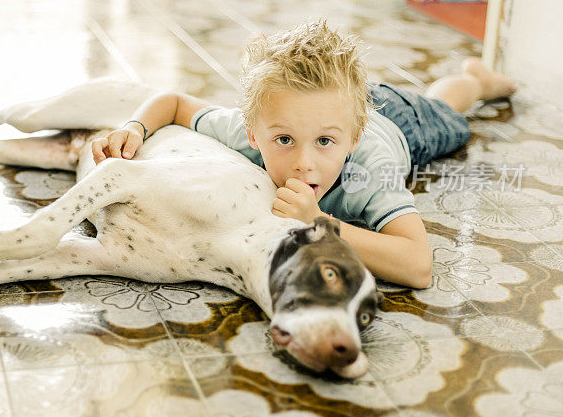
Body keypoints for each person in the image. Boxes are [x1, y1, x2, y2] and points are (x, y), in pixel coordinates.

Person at [90, 20, 517, 288]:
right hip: (339, 109)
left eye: (324, 144)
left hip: (402, 124)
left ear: (352, 138)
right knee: (320, 119)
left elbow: (419, 266)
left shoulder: (371, 172)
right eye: (284, 141)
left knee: (448, 114)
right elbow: (174, 102)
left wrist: (320, 223)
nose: (304, 162)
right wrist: (134, 128)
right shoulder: (250, 127)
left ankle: (476, 80)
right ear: (254, 135)